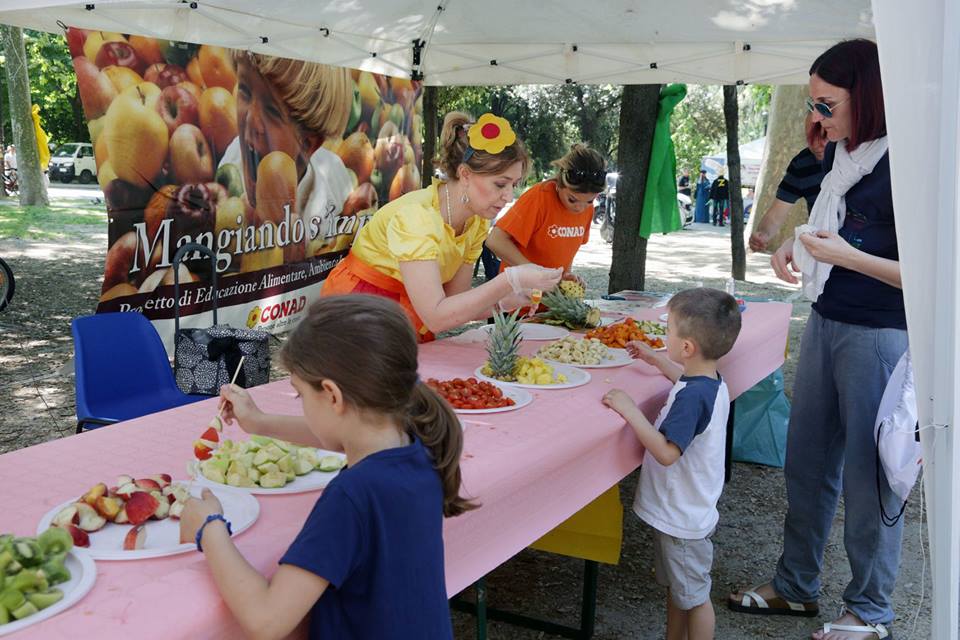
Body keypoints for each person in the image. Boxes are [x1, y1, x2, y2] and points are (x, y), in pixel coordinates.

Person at [728, 39, 906, 640]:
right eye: (813, 103)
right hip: (826, 318)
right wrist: (795, 241)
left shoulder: (907, 163)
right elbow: (832, 228)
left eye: (827, 104)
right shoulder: (841, 157)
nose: (817, 116)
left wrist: (846, 256)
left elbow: (934, 277)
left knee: (869, 476)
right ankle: (795, 585)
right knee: (805, 463)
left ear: (870, 96)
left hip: (881, 333)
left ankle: (869, 610)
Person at [179, 294, 472, 639]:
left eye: (300, 394)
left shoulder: (352, 496)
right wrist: (259, 422)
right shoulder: (418, 440)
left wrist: (209, 528)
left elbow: (267, 620)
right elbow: (343, 433)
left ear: (332, 395)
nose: (301, 404)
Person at [322, 111, 562, 342]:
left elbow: (456, 303)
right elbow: (437, 317)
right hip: (359, 310)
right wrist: (510, 280)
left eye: (514, 185)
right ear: (465, 174)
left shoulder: (476, 221)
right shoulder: (417, 217)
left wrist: (506, 301)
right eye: (500, 184)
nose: (508, 196)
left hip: (405, 314)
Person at [602, 287, 742, 640]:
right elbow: (683, 378)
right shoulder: (709, 381)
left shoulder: (693, 398)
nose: (665, 335)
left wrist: (630, 410)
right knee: (680, 594)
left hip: (681, 520)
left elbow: (666, 453)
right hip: (686, 512)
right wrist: (655, 359)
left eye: (668, 330)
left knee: (694, 599)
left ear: (687, 348)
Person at [219, 51, 354, 262]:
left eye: (272, 111)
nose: (251, 120)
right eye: (245, 91)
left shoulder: (333, 180)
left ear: (308, 144)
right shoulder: (233, 162)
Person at [485, 143, 606, 286]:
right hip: (517, 294)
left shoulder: (588, 209)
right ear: (560, 183)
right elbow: (495, 240)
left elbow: (567, 250)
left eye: (590, 201)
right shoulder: (539, 197)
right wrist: (533, 272)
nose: (580, 208)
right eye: (572, 199)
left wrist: (565, 276)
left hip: (550, 294)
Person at [749, 113, 828, 252]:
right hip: (822, 250)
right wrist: (762, 235)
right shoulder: (801, 164)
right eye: (810, 138)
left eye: (823, 136)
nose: (816, 144)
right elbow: (776, 215)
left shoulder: (860, 160)